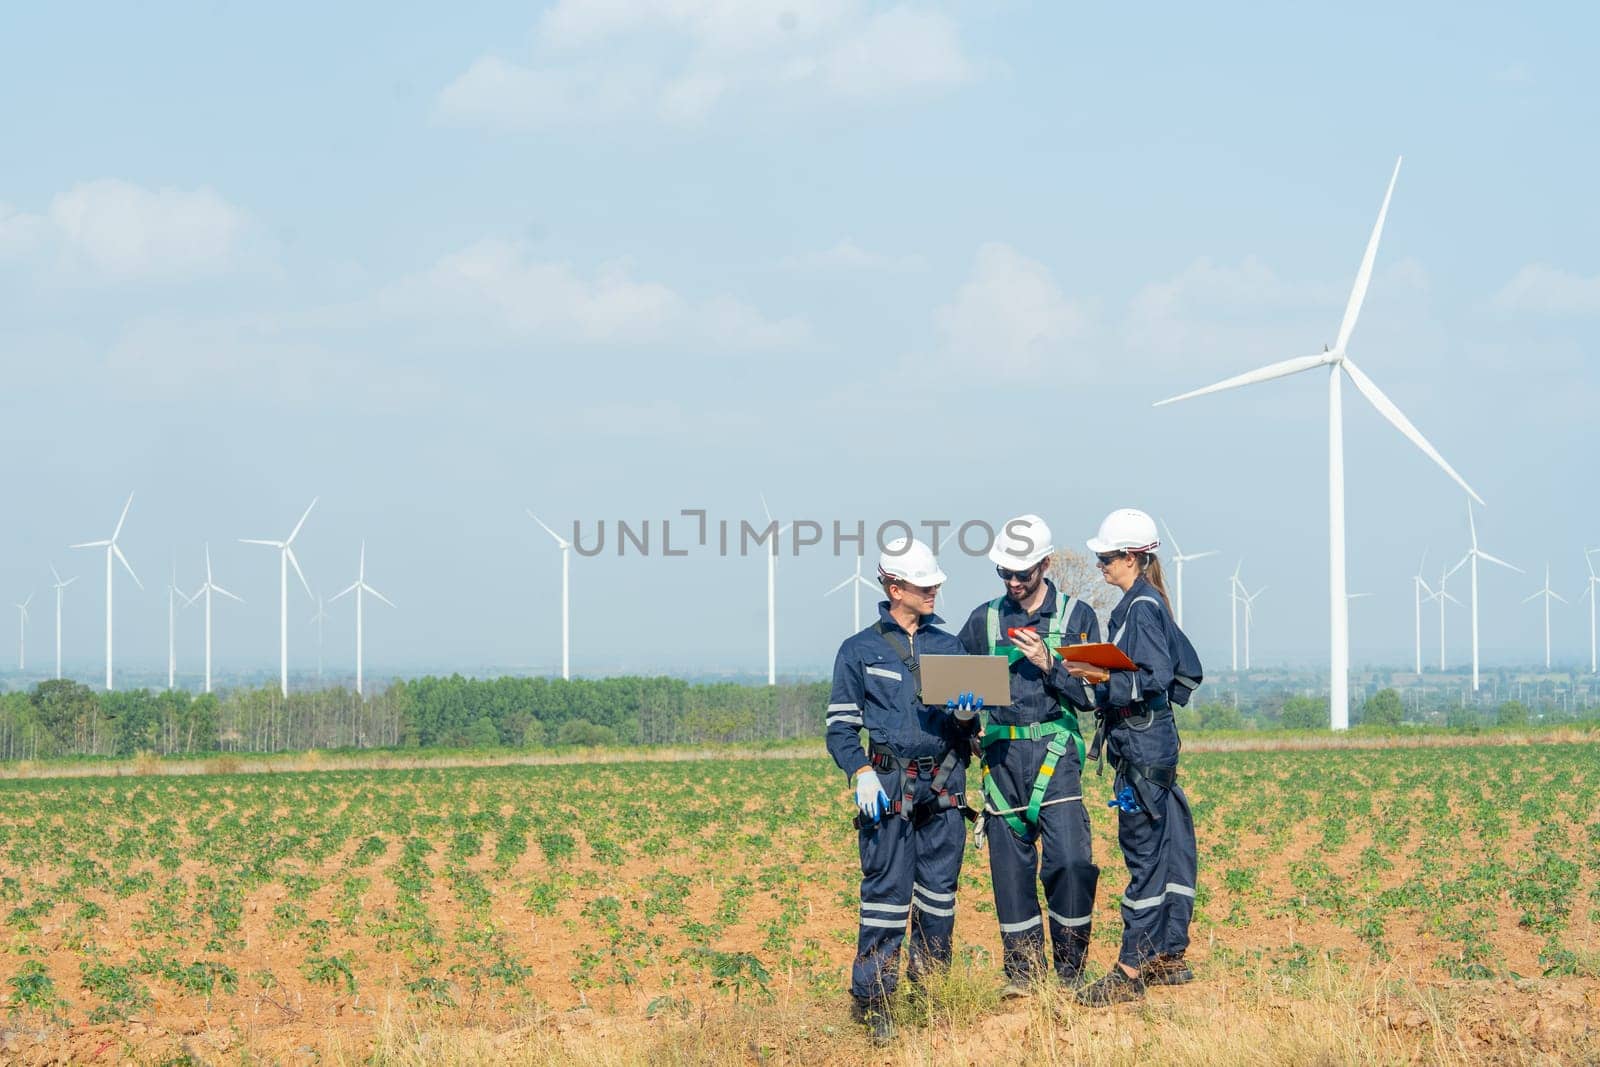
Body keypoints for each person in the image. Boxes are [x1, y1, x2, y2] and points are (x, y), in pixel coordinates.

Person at [825, 536, 978, 1044]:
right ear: (894, 587)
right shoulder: (858, 650)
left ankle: (933, 998)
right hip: (886, 787)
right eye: (923, 583)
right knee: (886, 900)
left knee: (938, 901)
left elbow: (971, 727)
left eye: (935, 581)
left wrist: (967, 715)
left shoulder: (950, 645)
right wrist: (859, 772)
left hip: (944, 786)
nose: (934, 589)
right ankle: (875, 1004)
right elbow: (840, 729)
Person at [956, 514, 1101, 995]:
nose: (1014, 583)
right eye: (1005, 573)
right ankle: (1022, 975)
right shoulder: (983, 620)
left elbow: (1093, 698)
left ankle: (1070, 970)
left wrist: (1050, 663)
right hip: (1001, 759)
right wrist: (964, 718)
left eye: (1023, 573)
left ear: (1047, 563)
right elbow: (952, 683)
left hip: (1056, 756)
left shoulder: (1077, 618)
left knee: (1071, 864)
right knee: (1009, 874)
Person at [1067, 507, 1200, 1007]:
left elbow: (1157, 675)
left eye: (1106, 556)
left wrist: (1100, 677)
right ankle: (1168, 954)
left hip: (1142, 749)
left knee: (1143, 853)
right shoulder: (1145, 602)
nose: (1100, 563)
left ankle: (1129, 969)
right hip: (1151, 746)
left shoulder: (1141, 608)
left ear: (1132, 557)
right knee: (1169, 848)